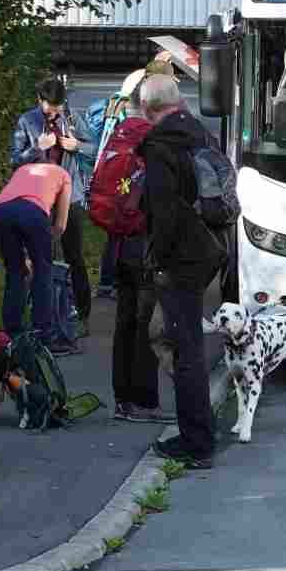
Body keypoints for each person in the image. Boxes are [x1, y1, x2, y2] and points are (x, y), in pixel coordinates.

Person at [138, 73, 229, 469]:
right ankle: (202, 429)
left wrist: (156, 258)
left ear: (147, 109)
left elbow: (164, 213)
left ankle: (197, 442)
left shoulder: (160, 147)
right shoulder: (201, 135)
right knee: (187, 344)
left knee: (185, 349)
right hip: (210, 250)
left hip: (182, 258)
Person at [92, 106, 171, 423]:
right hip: (143, 247)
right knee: (145, 325)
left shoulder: (122, 140)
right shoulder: (152, 148)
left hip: (119, 246)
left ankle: (123, 400)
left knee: (124, 323)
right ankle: (145, 401)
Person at [12, 76, 95, 329]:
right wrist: (37, 148)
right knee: (42, 255)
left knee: (74, 255)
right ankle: (44, 313)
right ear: (40, 101)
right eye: (51, 106)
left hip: (69, 197)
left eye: (59, 106)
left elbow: (95, 149)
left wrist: (78, 145)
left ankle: (81, 314)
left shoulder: (70, 118)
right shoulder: (27, 121)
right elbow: (15, 160)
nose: (55, 112)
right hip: (39, 198)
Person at [0, 155, 77, 353]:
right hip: (33, 212)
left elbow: (15, 206)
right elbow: (61, 224)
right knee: (43, 272)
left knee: (16, 272)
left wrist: (28, 255)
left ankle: (12, 332)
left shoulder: (23, 169)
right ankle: (44, 335)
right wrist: (48, 242)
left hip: (1, 211)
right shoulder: (63, 175)